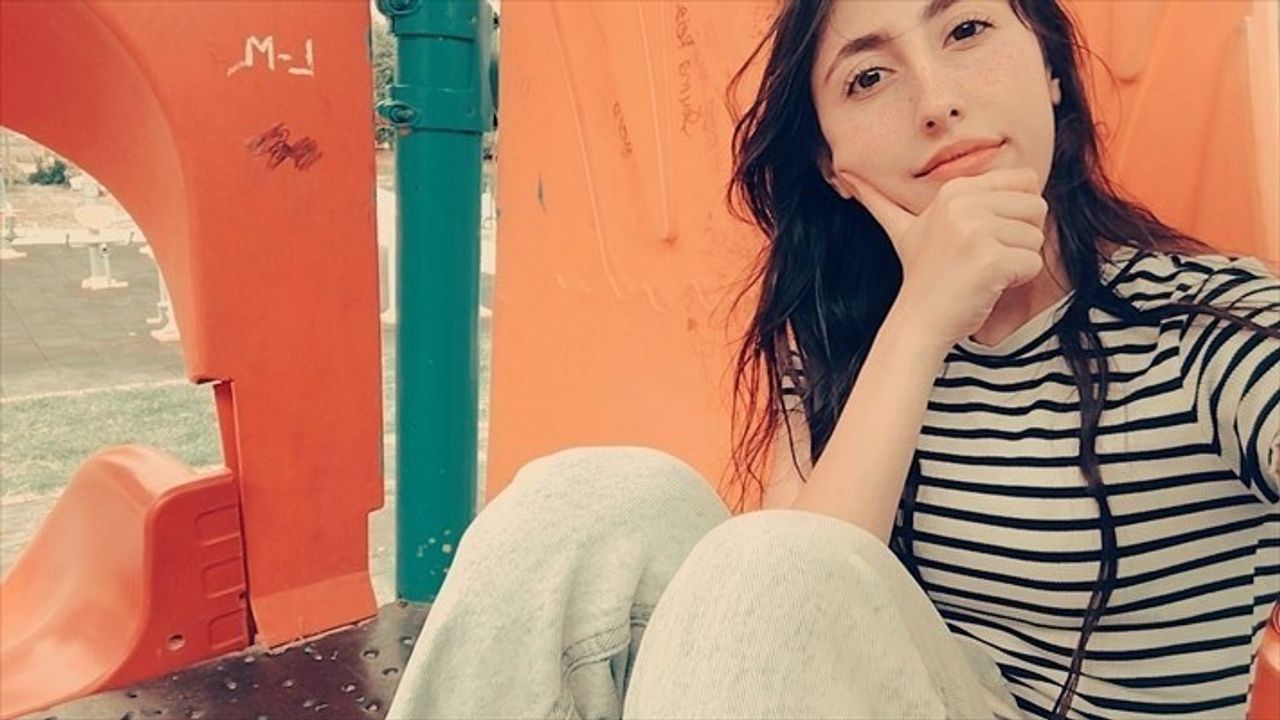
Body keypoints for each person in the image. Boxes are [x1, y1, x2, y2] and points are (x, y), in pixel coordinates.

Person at [386, 1, 1280, 718]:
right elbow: (796, 586)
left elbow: (789, 585)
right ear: (832, 161)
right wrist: (921, 323)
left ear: (1049, 68)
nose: (935, 100)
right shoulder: (842, 336)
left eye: (966, 29)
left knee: (769, 564)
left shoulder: (1208, 327)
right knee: (593, 499)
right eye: (869, 76)